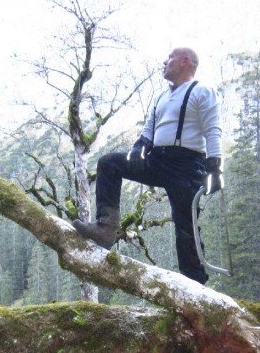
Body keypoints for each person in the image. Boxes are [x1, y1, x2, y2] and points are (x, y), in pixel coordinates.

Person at [73, 47, 223, 284]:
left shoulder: (202, 91)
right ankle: (105, 229)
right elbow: (148, 131)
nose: (165, 61)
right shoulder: (161, 97)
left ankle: (195, 284)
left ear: (185, 62)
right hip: (157, 160)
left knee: (186, 224)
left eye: (170, 58)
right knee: (109, 163)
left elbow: (212, 130)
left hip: (187, 165)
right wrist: (138, 146)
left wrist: (214, 167)